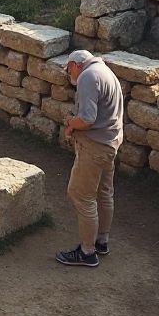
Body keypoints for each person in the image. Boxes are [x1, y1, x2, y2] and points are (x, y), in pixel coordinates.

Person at [57, 48, 124, 268]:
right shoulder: (105, 71)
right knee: (104, 193)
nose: (69, 75)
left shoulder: (87, 76)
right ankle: (101, 241)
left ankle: (87, 252)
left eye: (68, 70)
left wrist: (70, 123)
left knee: (80, 194)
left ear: (75, 65)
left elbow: (87, 119)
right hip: (110, 143)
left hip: (94, 147)